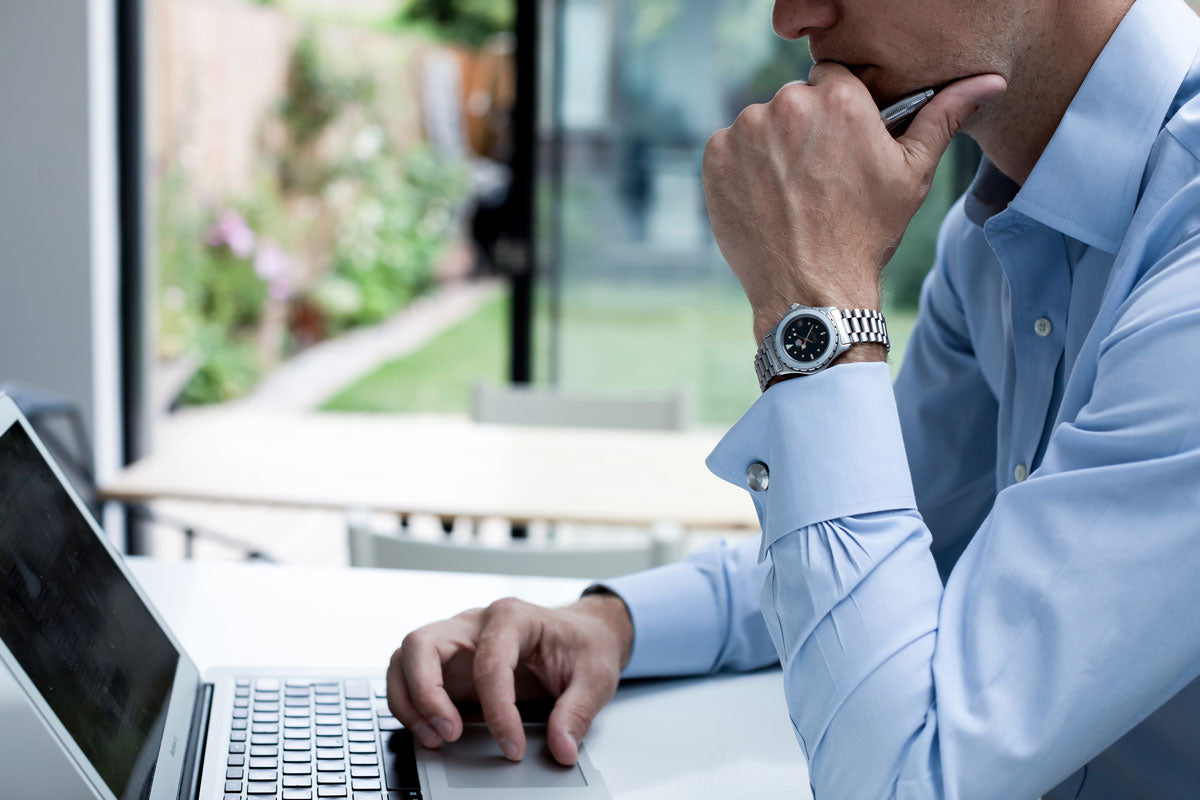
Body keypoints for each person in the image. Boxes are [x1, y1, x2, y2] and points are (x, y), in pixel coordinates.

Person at [386, 0, 1200, 796]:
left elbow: (908, 780)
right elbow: (875, 539)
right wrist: (615, 626)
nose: (790, 16)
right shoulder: (990, 236)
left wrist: (815, 306)